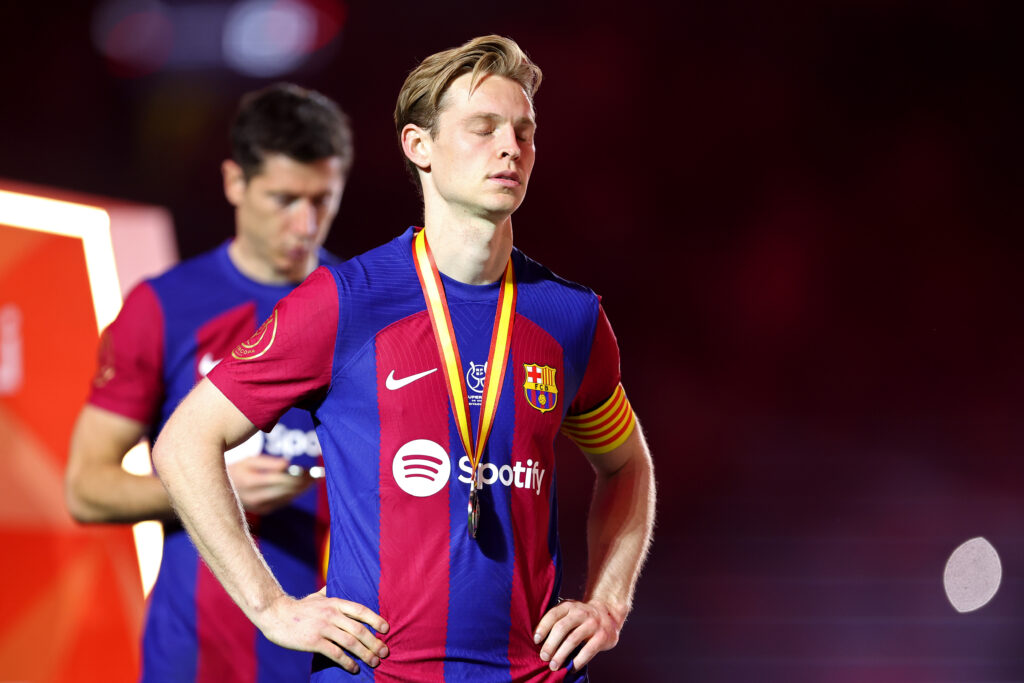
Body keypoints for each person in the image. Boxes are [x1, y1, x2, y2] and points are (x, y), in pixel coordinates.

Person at [151, 35, 656, 682]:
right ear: (419, 146)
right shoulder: (344, 302)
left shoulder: (569, 316)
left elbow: (626, 465)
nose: (511, 147)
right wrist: (271, 606)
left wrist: (608, 602)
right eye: (483, 128)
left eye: (524, 131)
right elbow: (185, 441)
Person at [65, 82, 354, 681]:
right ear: (234, 182)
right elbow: (85, 488)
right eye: (283, 198)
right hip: (197, 657)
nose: (304, 224)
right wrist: (215, 488)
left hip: (341, 655)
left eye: (322, 199)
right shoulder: (165, 307)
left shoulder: (366, 306)